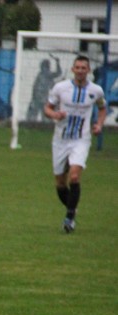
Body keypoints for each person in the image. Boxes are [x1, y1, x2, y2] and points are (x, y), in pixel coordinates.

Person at [43, 55, 107, 233]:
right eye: (77, 67)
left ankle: (69, 218)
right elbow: (47, 107)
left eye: (83, 68)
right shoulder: (61, 88)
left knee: (74, 177)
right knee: (60, 183)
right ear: (72, 69)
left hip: (81, 139)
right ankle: (72, 208)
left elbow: (102, 108)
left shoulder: (96, 91)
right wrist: (54, 114)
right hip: (60, 139)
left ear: (88, 70)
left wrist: (99, 124)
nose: (80, 70)